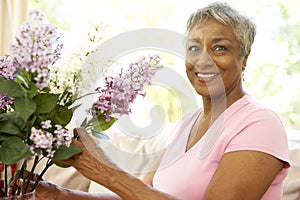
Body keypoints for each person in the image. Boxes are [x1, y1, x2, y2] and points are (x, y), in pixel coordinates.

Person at [12, 2, 290, 200]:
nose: (202, 60)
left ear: (245, 58)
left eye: (220, 48)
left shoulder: (258, 123)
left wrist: (105, 171)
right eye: (194, 48)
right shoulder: (187, 123)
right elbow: (138, 195)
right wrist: (56, 194)